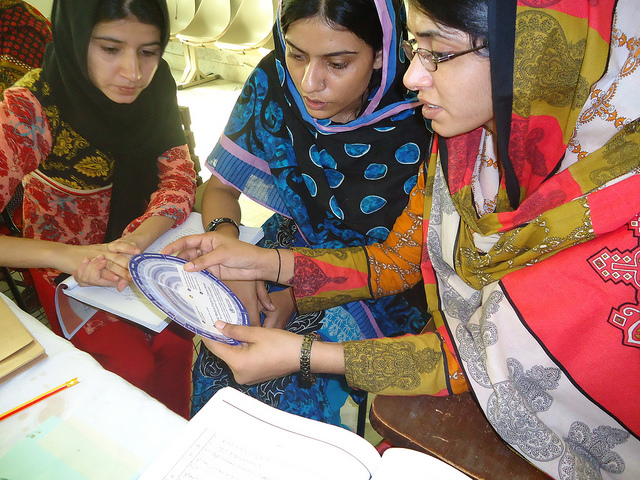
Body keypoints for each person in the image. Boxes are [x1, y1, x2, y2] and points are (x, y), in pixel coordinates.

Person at [164, 0, 640, 476]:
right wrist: (263, 264)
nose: (411, 78)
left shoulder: (611, 231)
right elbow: (394, 261)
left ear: (529, 54)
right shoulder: (465, 147)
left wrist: (305, 355)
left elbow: (480, 365)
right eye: (416, 47)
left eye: (436, 52)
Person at [192, 0, 433, 424]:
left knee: (286, 392)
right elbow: (220, 189)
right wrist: (230, 253)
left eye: (337, 64)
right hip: (296, 240)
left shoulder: (425, 112)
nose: (309, 82)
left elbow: (402, 262)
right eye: (297, 53)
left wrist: (297, 289)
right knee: (219, 360)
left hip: (386, 282)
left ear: (381, 53)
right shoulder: (274, 80)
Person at [0, 0, 197, 418]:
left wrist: (133, 242)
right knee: (128, 369)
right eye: (110, 49)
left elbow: (179, 178)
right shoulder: (32, 106)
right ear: (75, 38)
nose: (133, 73)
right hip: (64, 267)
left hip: (141, 250)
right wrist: (70, 257)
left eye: (149, 50)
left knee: (176, 348)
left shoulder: (156, 83)